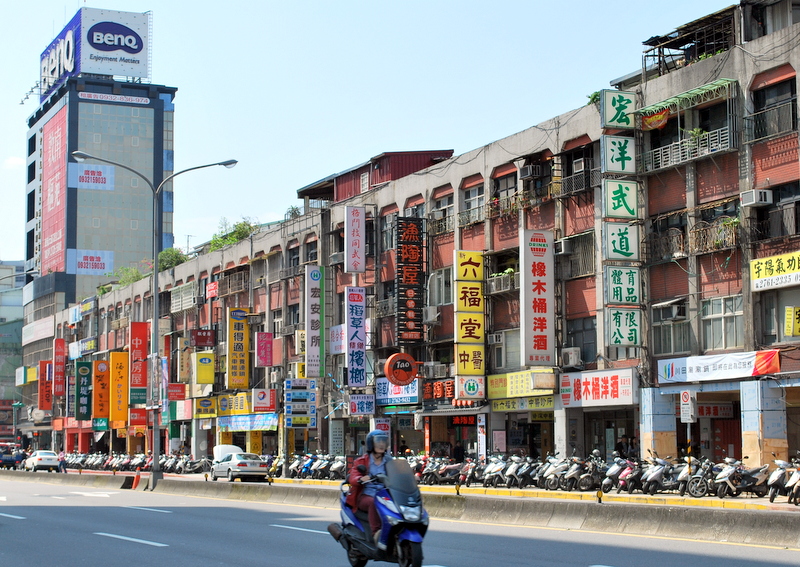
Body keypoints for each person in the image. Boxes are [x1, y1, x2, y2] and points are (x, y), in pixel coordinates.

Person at [345, 429, 391, 548]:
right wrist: (360, 479)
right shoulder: (361, 461)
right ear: (371, 444)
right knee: (373, 502)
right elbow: (353, 476)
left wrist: (412, 476)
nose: (381, 444)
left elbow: (399, 473)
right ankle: (376, 534)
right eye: (378, 441)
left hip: (386, 494)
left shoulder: (389, 461)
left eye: (383, 441)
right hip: (366, 495)